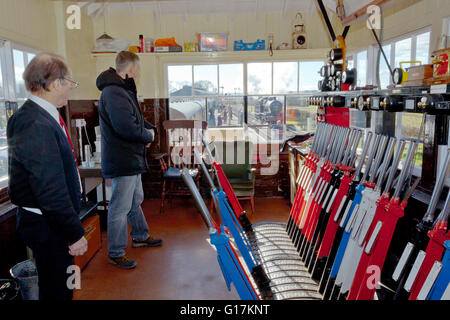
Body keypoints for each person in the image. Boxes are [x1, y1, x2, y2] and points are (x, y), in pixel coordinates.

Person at [8, 52, 88, 300]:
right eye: (70, 84)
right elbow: (49, 188)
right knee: (57, 291)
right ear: (55, 84)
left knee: (60, 286)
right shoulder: (34, 122)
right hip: (47, 224)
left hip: (50, 220)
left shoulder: (41, 114)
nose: (70, 91)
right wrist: (74, 233)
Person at [96, 51, 162, 270]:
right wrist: (147, 136)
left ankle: (140, 235)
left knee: (136, 199)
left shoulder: (122, 90)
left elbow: (136, 119)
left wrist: (150, 130)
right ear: (131, 69)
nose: (138, 72)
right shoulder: (114, 92)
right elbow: (126, 127)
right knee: (119, 207)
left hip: (130, 158)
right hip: (123, 159)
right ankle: (115, 252)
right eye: (138, 68)